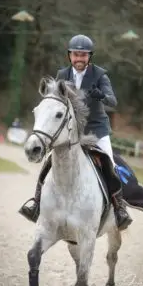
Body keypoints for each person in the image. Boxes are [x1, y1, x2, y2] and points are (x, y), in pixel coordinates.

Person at [19, 34, 132, 230]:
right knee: (49, 162)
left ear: (90, 57)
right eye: (75, 54)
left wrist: (102, 95)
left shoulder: (100, 75)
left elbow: (113, 101)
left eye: (83, 55)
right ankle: (37, 203)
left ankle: (119, 208)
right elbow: (54, 102)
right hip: (72, 130)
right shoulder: (62, 75)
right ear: (69, 55)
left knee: (110, 163)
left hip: (97, 130)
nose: (79, 58)